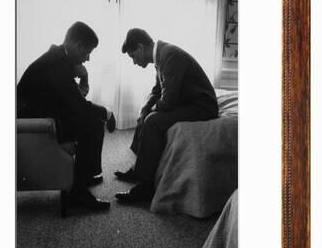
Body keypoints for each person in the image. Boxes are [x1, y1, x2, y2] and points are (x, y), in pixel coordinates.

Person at [17, 21, 116, 211]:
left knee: (92, 121)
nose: (87, 59)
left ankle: (84, 177)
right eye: (87, 53)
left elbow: (72, 99)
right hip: (36, 127)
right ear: (78, 45)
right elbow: (78, 105)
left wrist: (83, 77)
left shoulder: (58, 59)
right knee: (93, 125)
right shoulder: (57, 65)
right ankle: (77, 194)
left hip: (42, 117)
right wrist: (107, 113)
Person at [115, 28, 218, 203]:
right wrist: (145, 108)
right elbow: (157, 90)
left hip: (202, 106)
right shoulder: (161, 55)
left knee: (153, 121)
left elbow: (168, 101)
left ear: (140, 47)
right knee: (146, 114)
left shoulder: (169, 55)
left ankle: (147, 187)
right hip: (187, 100)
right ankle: (139, 170)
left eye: (133, 56)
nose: (134, 62)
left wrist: (151, 111)